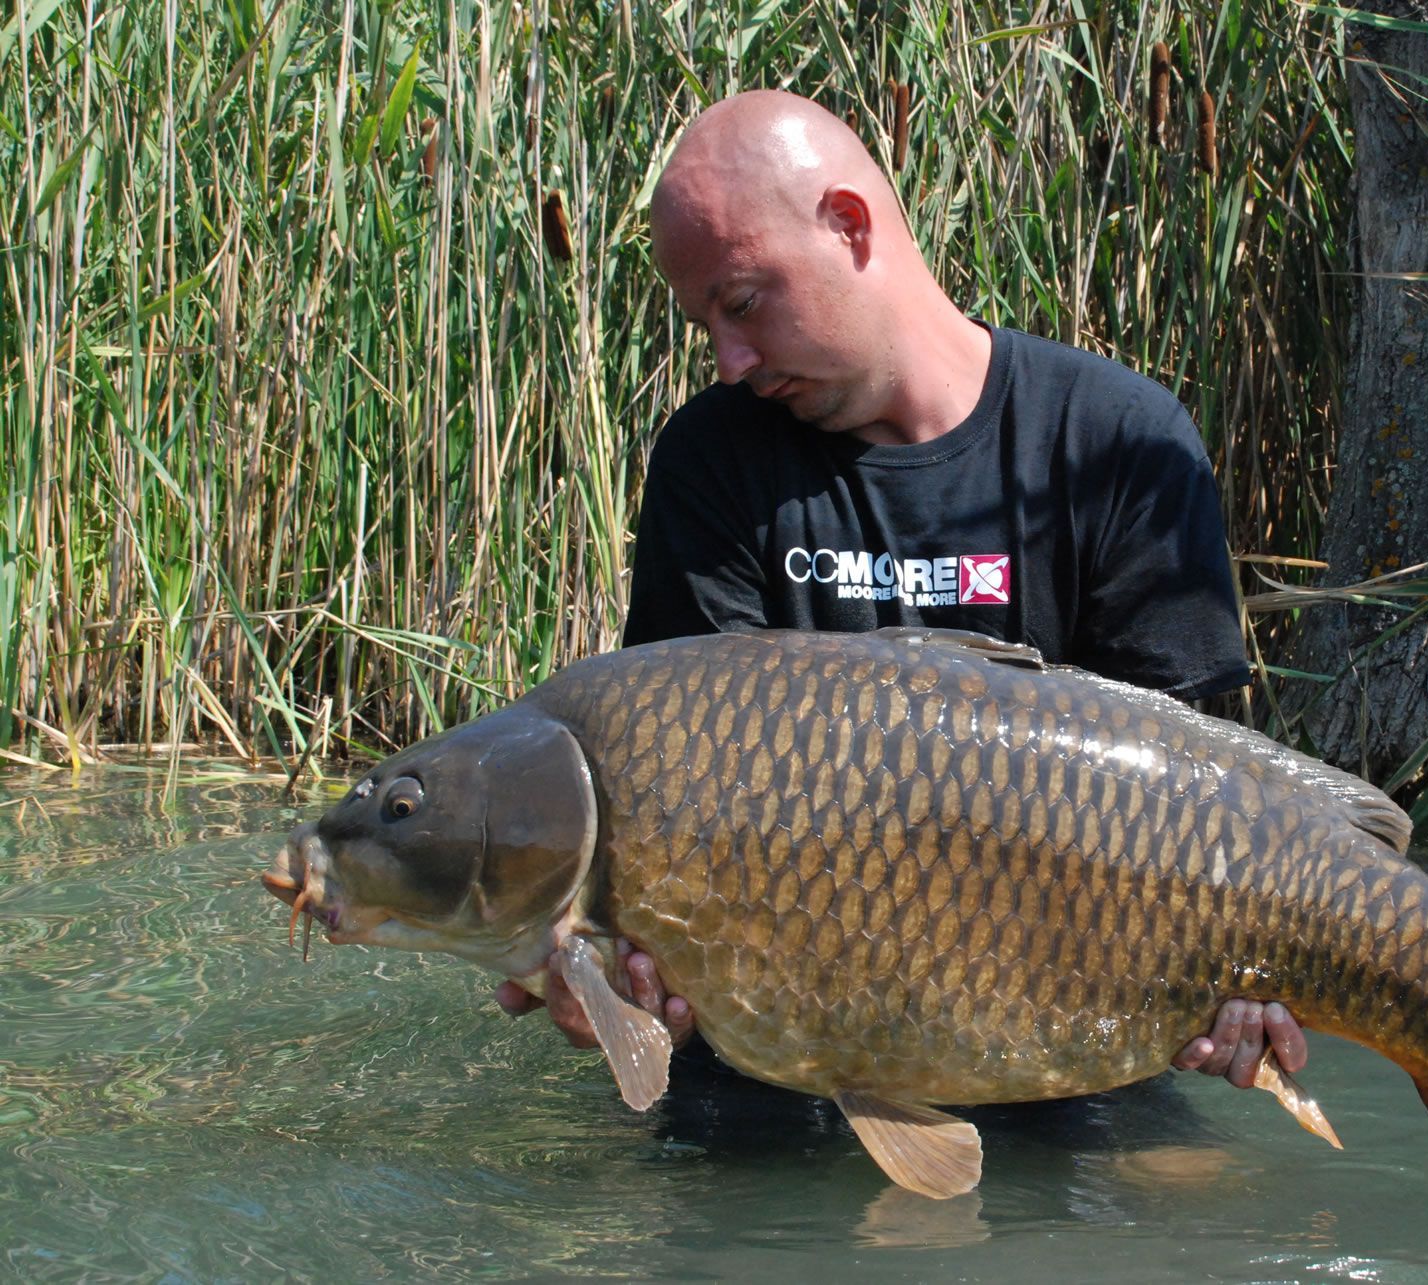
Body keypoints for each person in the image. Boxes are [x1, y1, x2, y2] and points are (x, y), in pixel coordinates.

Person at [498, 89, 1307, 1090]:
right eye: (706, 320)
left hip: (1075, 1071)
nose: (730, 357)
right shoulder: (712, 466)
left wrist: (1251, 989)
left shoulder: (1117, 444)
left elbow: (1204, 806)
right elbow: (681, 829)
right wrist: (610, 980)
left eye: (744, 302)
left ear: (849, 224)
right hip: (783, 1088)